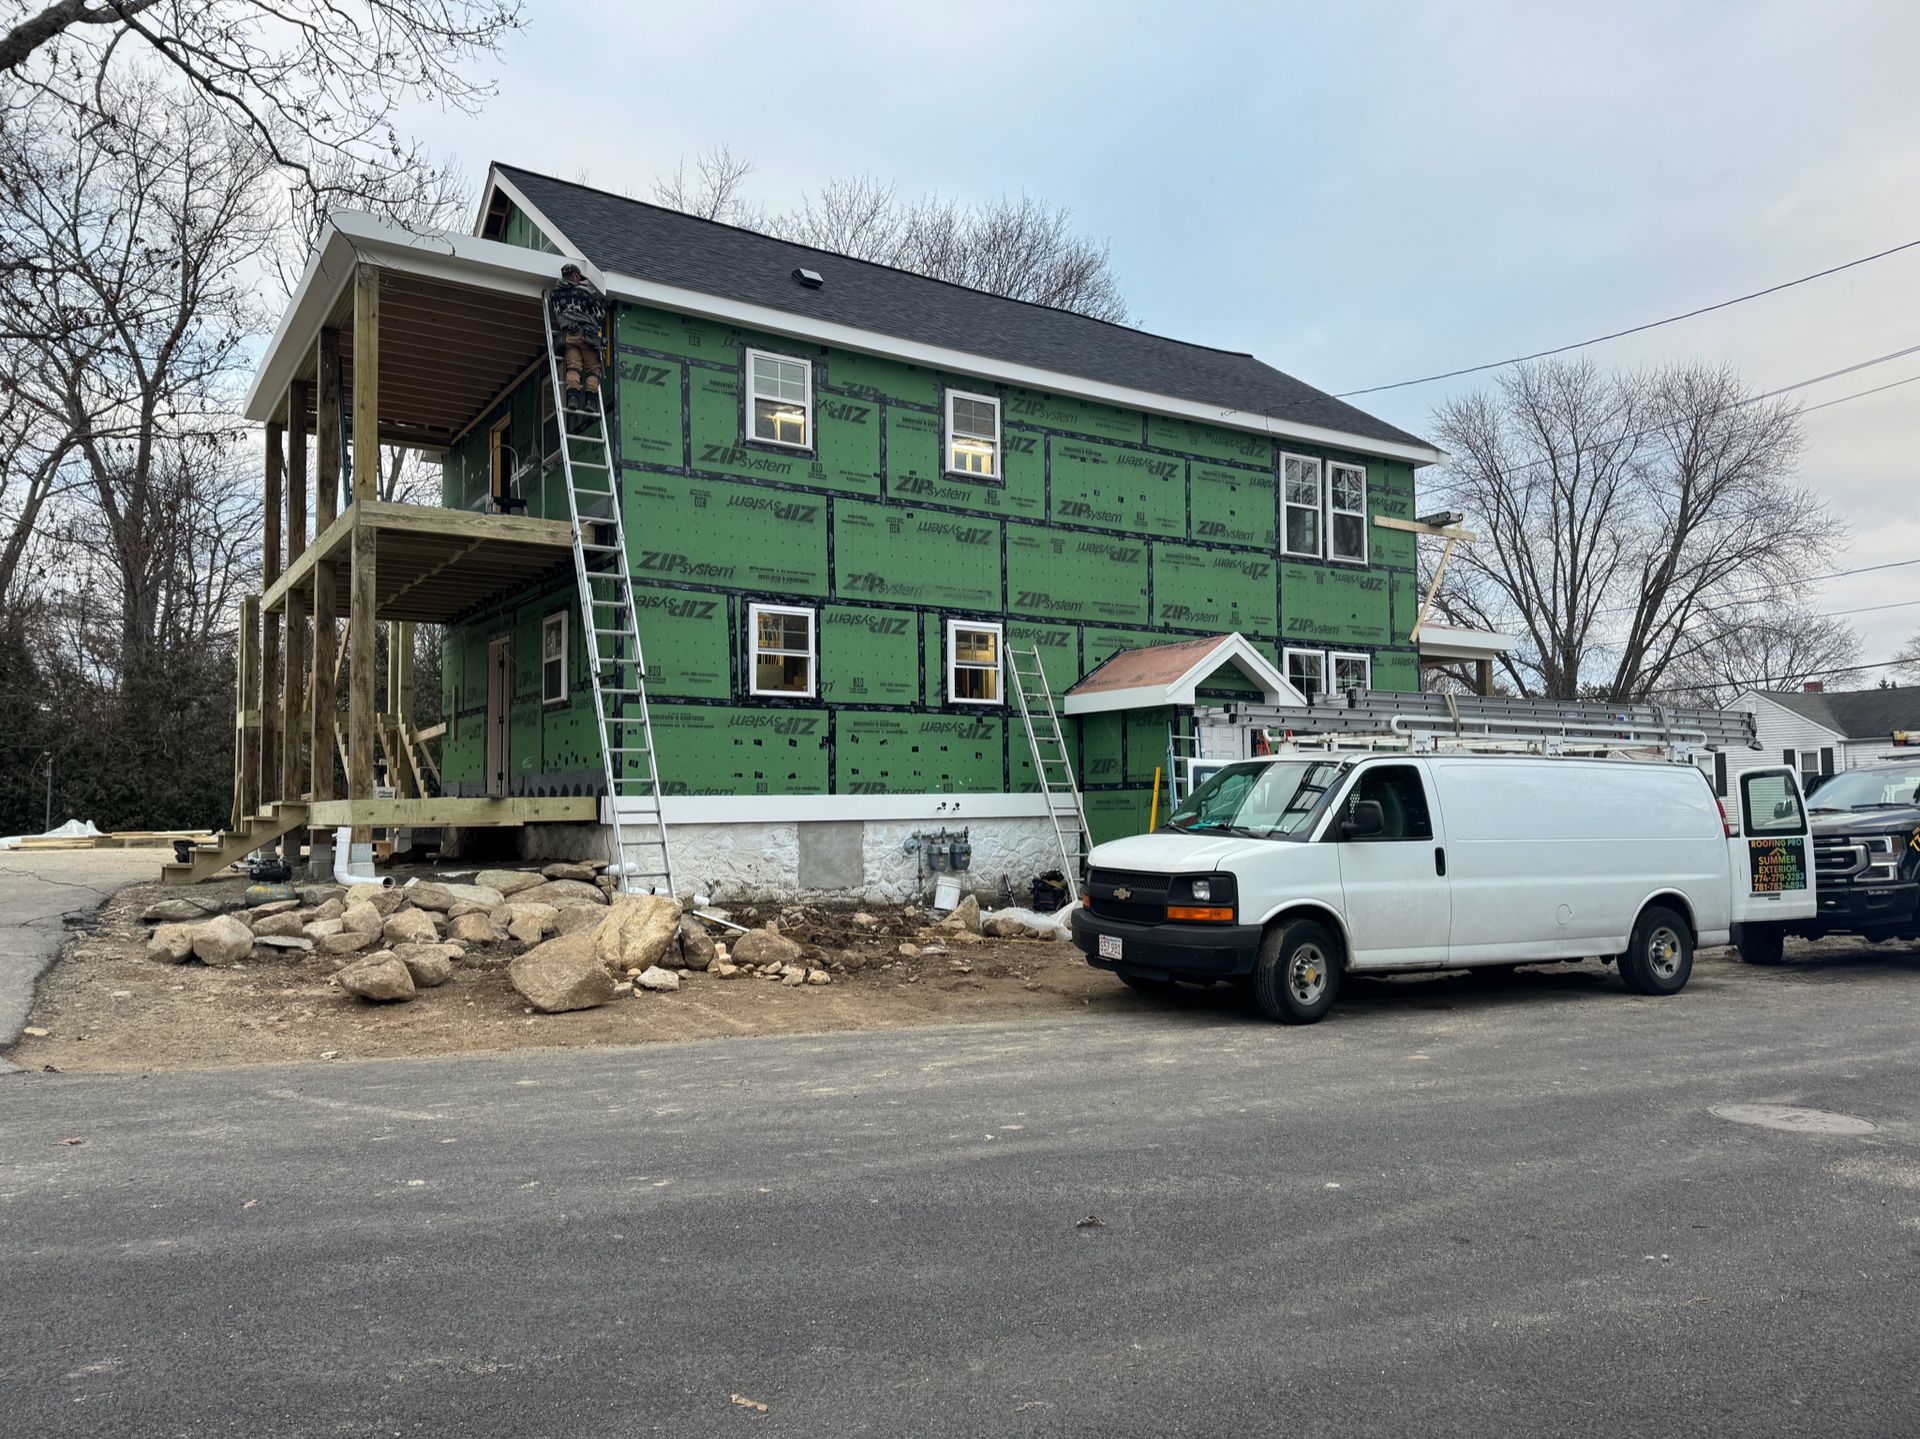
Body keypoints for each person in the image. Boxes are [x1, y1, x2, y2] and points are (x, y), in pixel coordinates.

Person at [549, 262, 605, 419]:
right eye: (579, 277)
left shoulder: (554, 295)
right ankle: (590, 402)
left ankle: (573, 398)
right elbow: (599, 314)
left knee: (573, 367)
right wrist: (600, 301)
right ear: (574, 275)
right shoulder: (583, 292)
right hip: (587, 335)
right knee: (593, 369)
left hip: (568, 336)